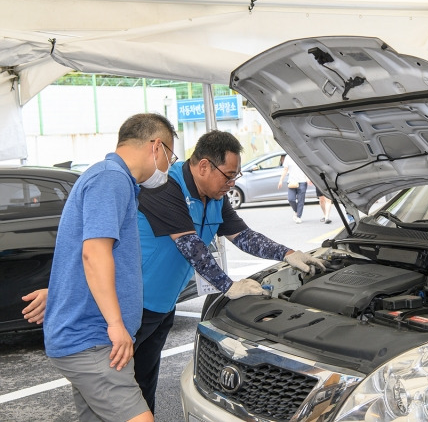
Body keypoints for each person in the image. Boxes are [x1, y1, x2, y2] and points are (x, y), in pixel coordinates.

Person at [133, 130, 326, 413]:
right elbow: (190, 245)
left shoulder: (215, 196)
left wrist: (287, 253)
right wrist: (228, 286)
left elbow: (243, 236)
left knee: (145, 377)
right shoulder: (166, 186)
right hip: (134, 303)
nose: (232, 183)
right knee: (119, 383)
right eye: (229, 175)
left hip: (164, 303)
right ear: (203, 167)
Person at [42, 113, 178, 422]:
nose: (169, 165)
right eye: (170, 154)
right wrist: (116, 325)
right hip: (93, 337)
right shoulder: (111, 178)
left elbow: (78, 254)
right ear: (156, 147)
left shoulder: (109, 178)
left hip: (86, 334)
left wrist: (56, 293)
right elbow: (95, 253)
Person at [277, 154, 309, 223]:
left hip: (302, 181)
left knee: (301, 200)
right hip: (291, 182)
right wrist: (281, 180)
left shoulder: (301, 155)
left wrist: (308, 178)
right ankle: (296, 211)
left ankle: (298, 217)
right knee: (291, 199)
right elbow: (285, 169)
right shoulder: (288, 157)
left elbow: (306, 168)